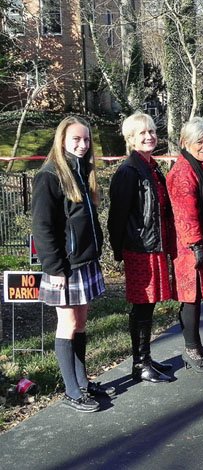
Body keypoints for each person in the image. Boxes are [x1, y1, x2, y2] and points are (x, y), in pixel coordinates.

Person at [32, 116, 113, 412]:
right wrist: (54, 270)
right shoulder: (50, 176)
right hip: (63, 268)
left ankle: (82, 381)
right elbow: (42, 228)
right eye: (76, 139)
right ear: (62, 141)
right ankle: (71, 391)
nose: (82, 145)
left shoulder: (82, 172)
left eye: (86, 140)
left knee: (80, 323)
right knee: (67, 324)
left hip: (85, 263)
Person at [108, 112, 176, 383]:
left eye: (151, 132)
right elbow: (118, 215)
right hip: (139, 248)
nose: (149, 137)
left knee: (149, 306)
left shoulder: (151, 166)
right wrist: (118, 250)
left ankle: (146, 357)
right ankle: (139, 362)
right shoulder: (128, 171)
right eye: (142, 133)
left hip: (153, 245)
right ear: (130, 139)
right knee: (141, 306)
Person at [166, 117, 203, 373]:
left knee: (196, 297)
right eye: (200, 141)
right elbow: (185, 213)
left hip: (201, 241)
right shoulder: (183, 171)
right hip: (188, 247)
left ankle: (196, 344)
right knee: (191, 298)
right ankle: (191, 349)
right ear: (186, 142)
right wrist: (197, 245)